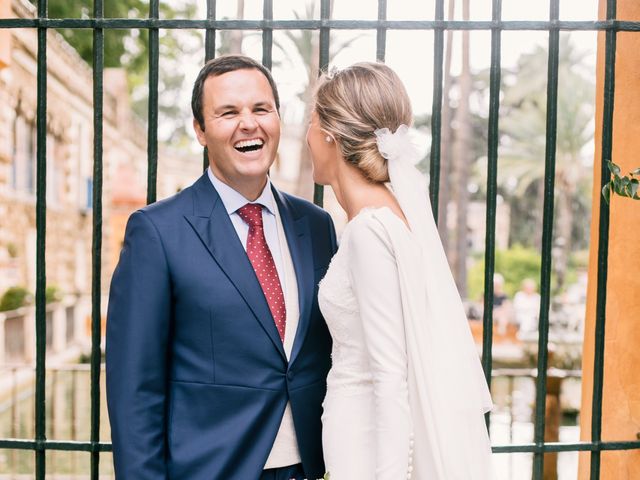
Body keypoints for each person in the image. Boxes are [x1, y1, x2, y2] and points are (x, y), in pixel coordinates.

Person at [106, 54, 337, 480]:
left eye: (260, 109)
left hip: (309, 467)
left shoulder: (317, 226)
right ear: (200, 130)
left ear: (278, 120)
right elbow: (133, 390)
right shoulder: (157, 232)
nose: (248, 124)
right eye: (228, 112)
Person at [307, 62, 493, 479]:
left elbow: (391, 379)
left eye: (311, 121)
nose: (306, 137)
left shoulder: (371, 231)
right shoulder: (384, 217)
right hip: (359, 443)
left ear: (329, 135)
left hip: (366, 452)